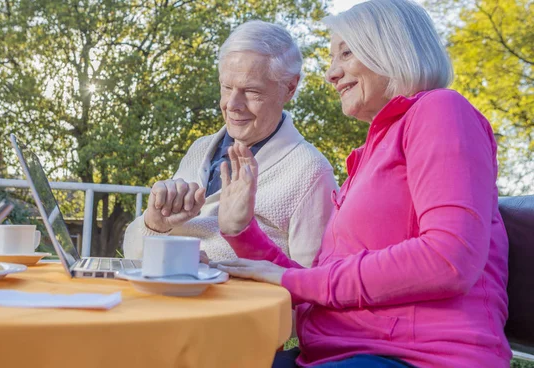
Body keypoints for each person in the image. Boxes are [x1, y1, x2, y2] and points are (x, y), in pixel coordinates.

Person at [211, 1, 511, 367]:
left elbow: (450, 257)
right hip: (338, 353)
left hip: (418, 357)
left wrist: (295, 281)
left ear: (392, 48)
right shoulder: (371, 153)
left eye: (346, 53)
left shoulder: (441, 110)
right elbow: (319, 287)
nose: (330, 74)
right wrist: (241, 232)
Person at [123, 20, 338, 267]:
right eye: (226, 87)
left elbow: (312, 287)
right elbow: (132, 254)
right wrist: (154, 225)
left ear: (290, 87)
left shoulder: (310, 172)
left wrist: (216, 271)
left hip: (232, 304)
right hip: (169, 295)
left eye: (251, 91)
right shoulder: (200, 150)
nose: (232, 104)